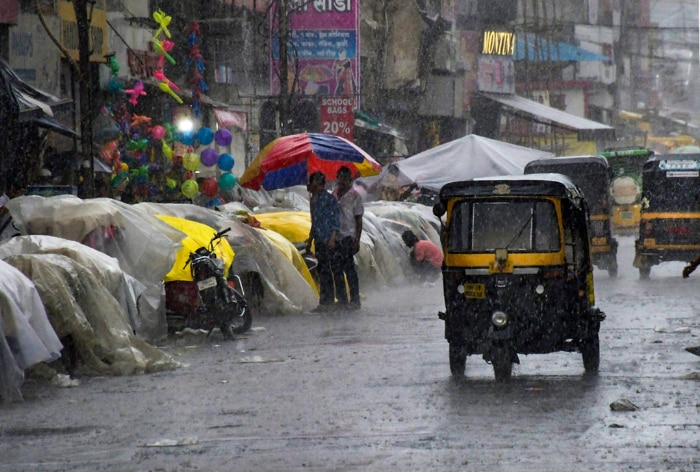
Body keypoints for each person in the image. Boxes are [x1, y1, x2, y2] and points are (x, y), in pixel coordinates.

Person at [305, 171, 341, 312]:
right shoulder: (313, 201)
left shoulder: (330, 199)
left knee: (330, 270)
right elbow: (314, 221)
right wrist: (310, 240)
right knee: (322, 270)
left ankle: (331, 300)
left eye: (312, 183)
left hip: (329, 240)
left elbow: (335, 221)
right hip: (319, 240)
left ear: (320, 184)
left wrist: (332, 238)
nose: (310, 186)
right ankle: (324, 300)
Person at [332, 166, 363, 310]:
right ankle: (342, 299)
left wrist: (357, 239)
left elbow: (358, 220)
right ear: (337, 178)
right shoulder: (333, 194)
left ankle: (355, 299)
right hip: (335, 237)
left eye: (345, 178)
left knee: (349, 269)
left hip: (348, 237)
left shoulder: (355, 196)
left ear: (349, 180)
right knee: (337, 270)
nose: (342, 181)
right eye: (340, 178)